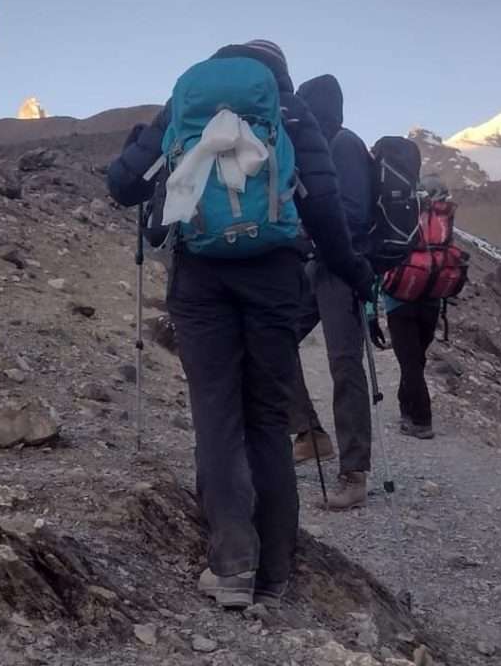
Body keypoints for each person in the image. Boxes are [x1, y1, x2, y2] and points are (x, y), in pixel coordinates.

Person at [106, 41, 374, 609]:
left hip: (200, 279)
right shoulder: (291, 112)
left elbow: (122, 186)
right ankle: (275, 571)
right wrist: (353, 271)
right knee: (267, 415)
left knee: (216, 410)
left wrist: (136, 148)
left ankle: (231, 565)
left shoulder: (184, 106)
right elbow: (324, 205)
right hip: (275, 278)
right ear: (278, 72)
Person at [288, 74, 375, 511]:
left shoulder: (343, 145)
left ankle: (354, 473)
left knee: (344, 363)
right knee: (277, 337)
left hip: (343, 268)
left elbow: (353, 216)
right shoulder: (324, 145)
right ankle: (310, 433)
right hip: (317, 266)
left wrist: (310, 236)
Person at [382, 175, 447, 440]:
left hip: (399, 301)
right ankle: (406, 408)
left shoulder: (394, 218)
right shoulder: (440, 221)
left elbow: (382, 259)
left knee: (410, 362)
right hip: (431, 300)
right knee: (415, 359)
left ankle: (421, 419)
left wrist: (370, 310)